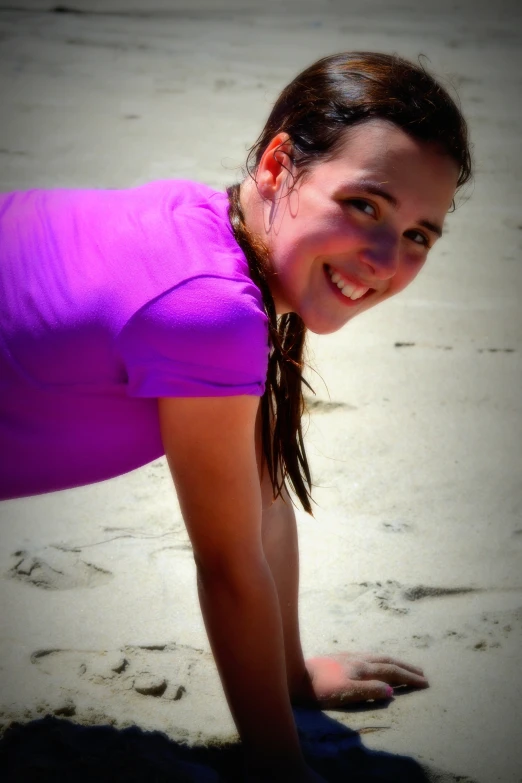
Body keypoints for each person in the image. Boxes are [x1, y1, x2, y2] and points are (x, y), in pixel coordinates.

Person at [0, 51, 472, 782]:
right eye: (366, 205)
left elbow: (263, 497)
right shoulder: (209, 310)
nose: (384, 257)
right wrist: (282, 768)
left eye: (418, 235)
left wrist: (292, 680)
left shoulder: (211, 227)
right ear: (281, 164)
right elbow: (228, 566)